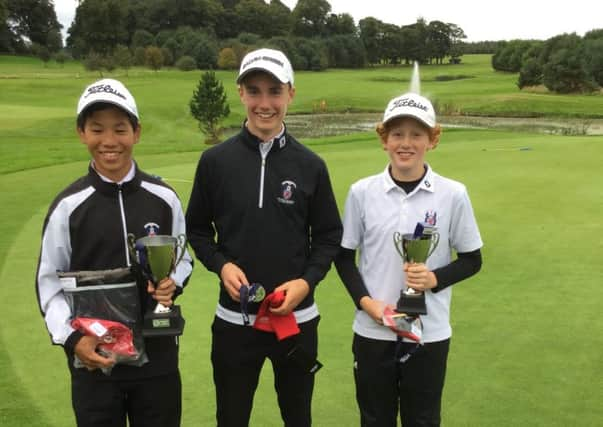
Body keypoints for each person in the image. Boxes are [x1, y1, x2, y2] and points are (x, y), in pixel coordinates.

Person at [185, 48, 342, 427]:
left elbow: (328, 235)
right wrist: (221, 266)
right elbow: (198, 230)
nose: (265, 103)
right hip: (234, 323)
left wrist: (306, 283)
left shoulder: (311, 166)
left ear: (291, 92)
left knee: (297, 417)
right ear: (241, 93)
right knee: (232, 417)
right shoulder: (215, 162)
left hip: (296, 321)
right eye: (254, 90)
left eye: (275, 90)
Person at [35, 78, 193, 427]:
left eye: (120, 129)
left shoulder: (163, 197)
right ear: (81, 133)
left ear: (136, 132)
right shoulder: (67, 207)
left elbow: (182, 258)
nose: (109, 141)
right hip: (95, 360)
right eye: (97, 129)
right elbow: (48, 285)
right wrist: (73, 339)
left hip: (157, 357)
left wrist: (172, 284)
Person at [335, 92, 483, 427]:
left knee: (424, 420)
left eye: (417, 134)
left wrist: (434, 279)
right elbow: (344, 258)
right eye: (397, 133)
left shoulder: (453, 194)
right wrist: (366, 304)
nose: (406, 143)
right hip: (374, 331)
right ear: (383, 138)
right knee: (375, 419)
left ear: (433, 139)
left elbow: (472, 259)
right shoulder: (362, 192)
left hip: (428, 334)